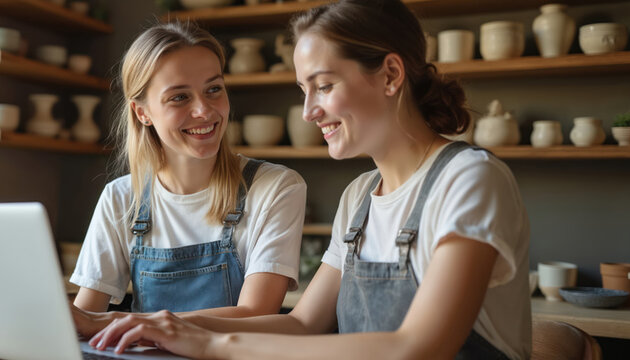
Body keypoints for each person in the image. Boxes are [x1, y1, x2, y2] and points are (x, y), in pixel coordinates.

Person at [85, 1, 532, 359]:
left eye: (323, 86)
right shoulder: (360, 196)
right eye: (304, 90)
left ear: (391, 75)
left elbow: (419, 348)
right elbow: (302, 323)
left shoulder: (469, 179)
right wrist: (164, 325)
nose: (308, 111)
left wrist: (208, 342)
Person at [69, 22, 308, 338]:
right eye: (179, 97)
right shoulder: (122, 198)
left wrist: (126, 323)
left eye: (214, 89)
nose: (204, 110)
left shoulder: (276, 187)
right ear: (143, 113)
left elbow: (255, 314)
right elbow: (86, 317)